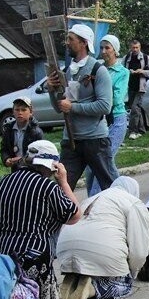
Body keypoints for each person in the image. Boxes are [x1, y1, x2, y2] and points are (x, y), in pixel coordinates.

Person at [0, 140, 80, 299]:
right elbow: (74, 215)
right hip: (30, 255)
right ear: (53, 166)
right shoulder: (48, 187)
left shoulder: (3, 182)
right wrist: (63, 181)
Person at [57, 177, 149, 299]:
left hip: (64, 248)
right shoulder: (133, 202)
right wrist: (132, 271)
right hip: (100, 251)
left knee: (91, 261)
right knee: (125, 285)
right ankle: (92, 289)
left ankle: (73, 278)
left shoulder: (90, 199)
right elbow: (139, 249)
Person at [46, 23, 119, 191]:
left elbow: (105, 106)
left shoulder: (98, 70)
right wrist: (51, 90)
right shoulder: (67, 71)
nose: (66, 42)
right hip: (71, 141)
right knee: (62, 186)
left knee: (111, 186)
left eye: (70, 39)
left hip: (95, 139)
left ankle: (122, 214)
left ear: (84, 43)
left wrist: (73, 107)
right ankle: (66, 216)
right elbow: (59, 108)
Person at [86, 34, 130, 197]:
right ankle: (121, 193)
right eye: (102, 47)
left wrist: (100, 97)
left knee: (103, 161)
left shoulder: (122, 72)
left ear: (115, 51)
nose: (104, 51)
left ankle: (95, 200)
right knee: (93, 165)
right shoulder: (96, 69)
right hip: (97, 120)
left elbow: (117, 97)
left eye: (108, 47)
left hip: (115, 119)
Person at [123, 39, 149, 140]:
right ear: (130, 48)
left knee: (134, 108)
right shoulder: (127, 57)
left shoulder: (145, 57)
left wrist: (141, 71)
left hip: (140, 87)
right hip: (130, 86)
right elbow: (121, 69)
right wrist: (129, 71)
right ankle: (142, 130)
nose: (135, 49)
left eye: (137, 47)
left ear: (140, 47)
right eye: (133, 47)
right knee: (136, 108)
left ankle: (133, 131)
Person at [0, 96, 44, 168]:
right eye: (17, 110)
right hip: (15, 169)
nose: (20, 113)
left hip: (32, 170)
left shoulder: (36, 132)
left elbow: (40, 155)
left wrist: (22, 160)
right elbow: (4, 148)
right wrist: (6, 159)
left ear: (31, 112)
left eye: (23, 110)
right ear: (13, 112)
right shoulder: (9, 130)